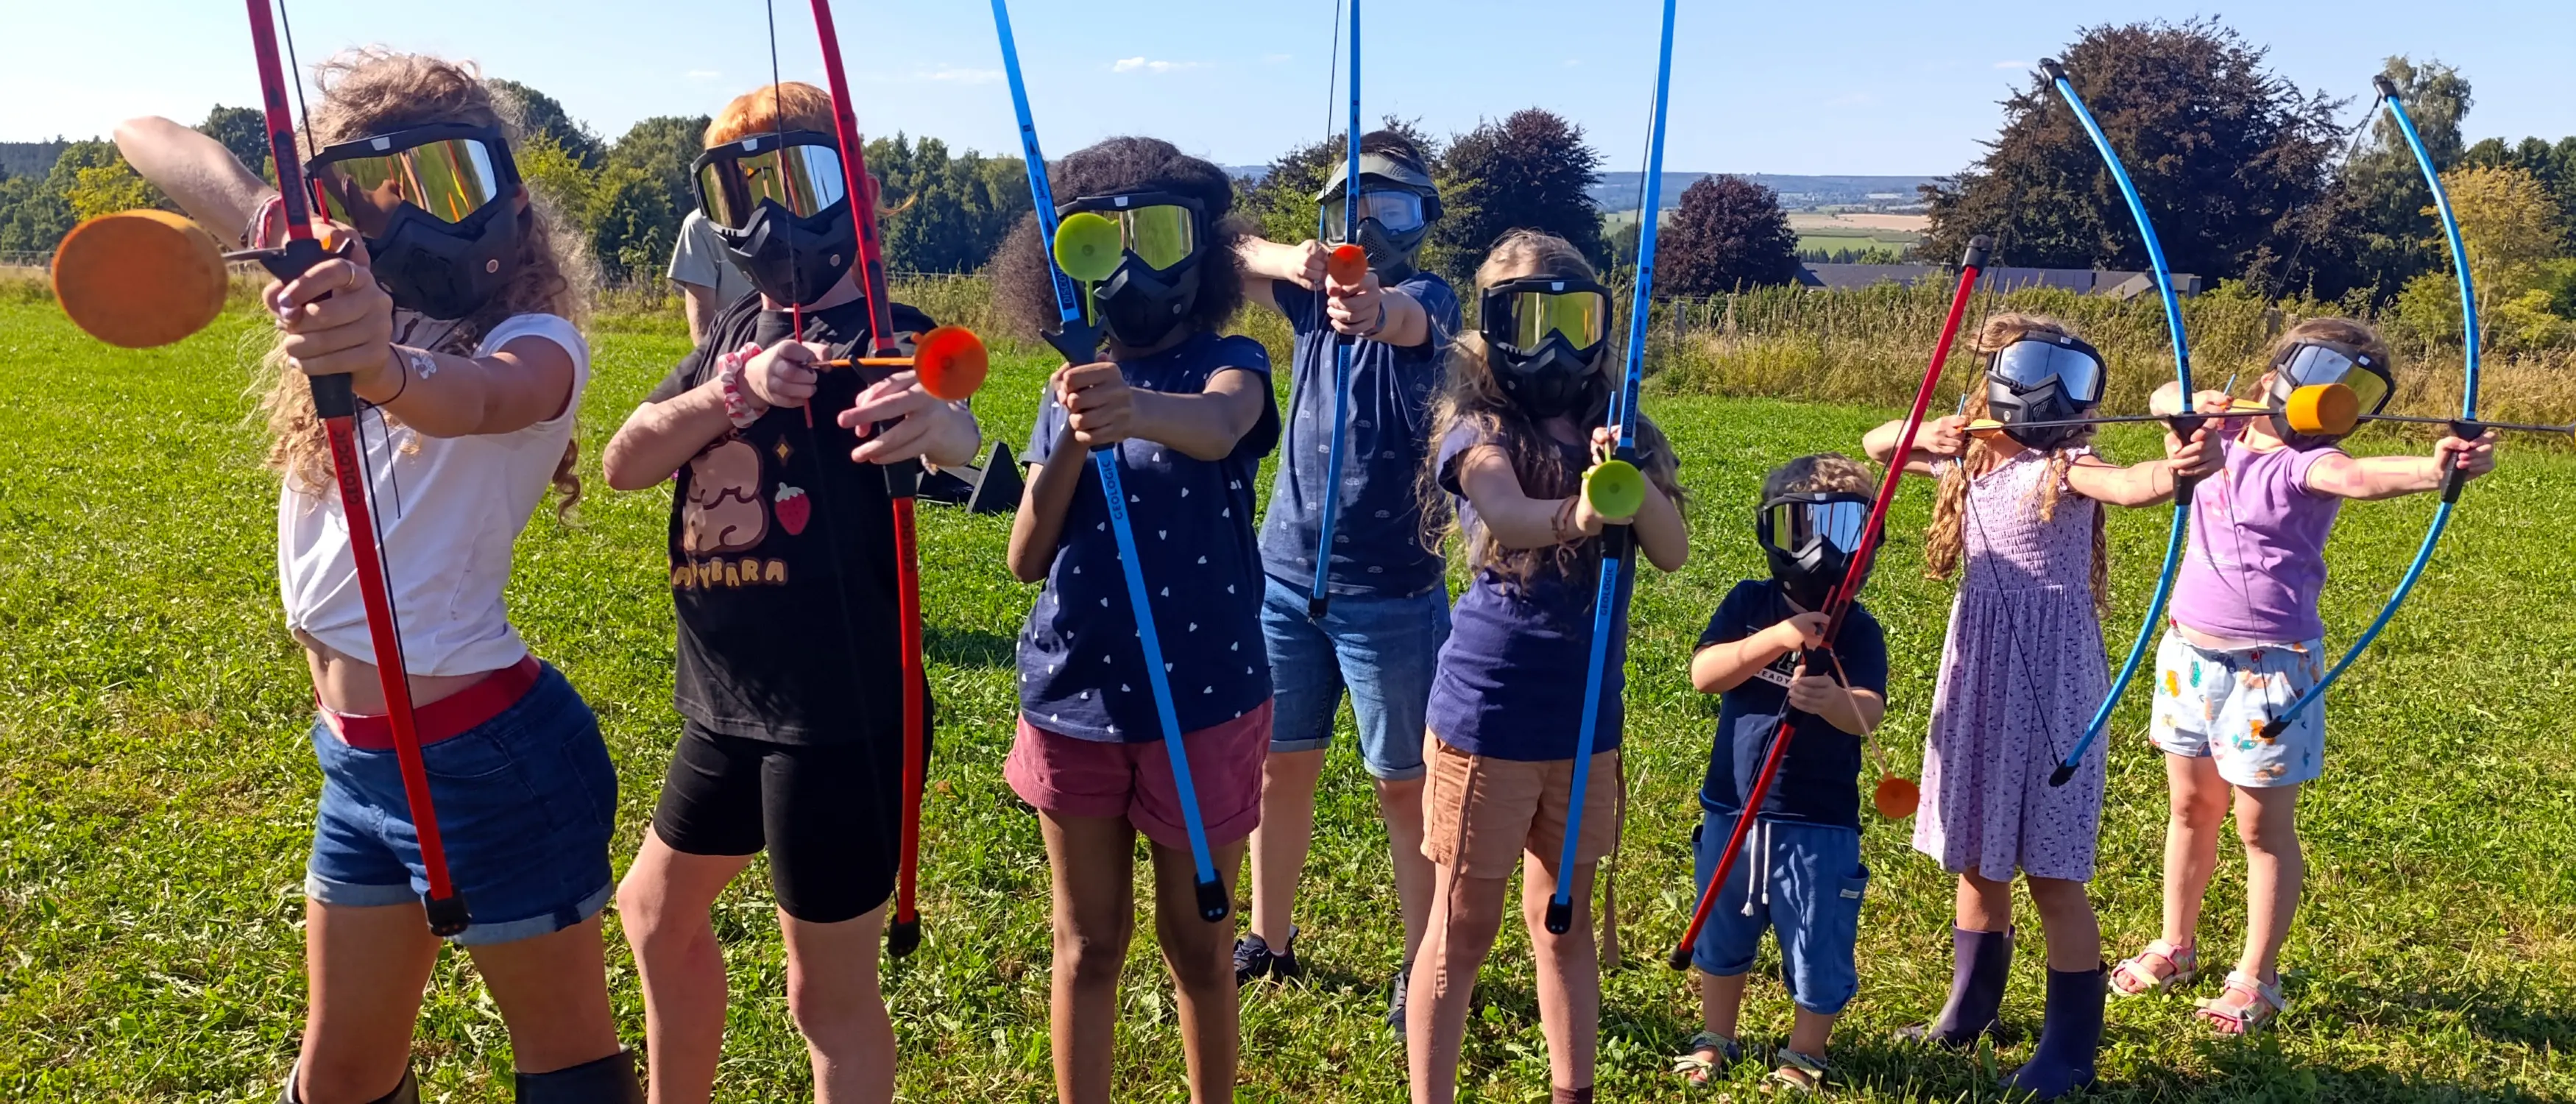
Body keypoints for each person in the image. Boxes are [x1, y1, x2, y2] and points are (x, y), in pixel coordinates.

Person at [116, 50, 640, 1103]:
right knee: (342, 1073)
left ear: (508, 194)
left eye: (445, 184)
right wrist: (283, 223)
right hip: (359, 760)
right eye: (370, 191)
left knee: (568, 1067)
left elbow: (481, 398)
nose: (410, 223)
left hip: (490, 760)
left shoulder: (537, 341)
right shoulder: (338, 283)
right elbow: (152, 136)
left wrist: (382, 367)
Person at [602, 82, 981, 1104]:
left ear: (854, 190)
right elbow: (624, 462)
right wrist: (733, 392)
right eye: (739, 188)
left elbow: (959, 443)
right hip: (723, 707)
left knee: (826, 996)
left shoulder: (893, 340)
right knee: (652, 913)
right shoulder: (729, 334)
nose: (767, 216)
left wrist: (945, 433)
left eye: (798, 178)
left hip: (841, 720)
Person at [989, 136, 1278, 1104]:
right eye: (1095, 242)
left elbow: (1219, 426)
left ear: (1202, 251)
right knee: (1087, 943)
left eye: (1157, 234)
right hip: (1074, 699)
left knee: (1197, 943)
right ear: (1061, 265)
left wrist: (1135, 408)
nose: (1131, 265)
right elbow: (1026, 554)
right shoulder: (1065, 390)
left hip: (1205, 700)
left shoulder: (1229, 363)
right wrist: (1076, 432)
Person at [1862, 313, 2216, 1100]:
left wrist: (2183, 464)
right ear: (1995, 381)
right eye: (2031, 370)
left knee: (2051, 872)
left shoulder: (2068, 466)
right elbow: (1876, 443)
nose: (2052, 393)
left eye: (2073, 380)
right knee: (1976, 853)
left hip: (2053, 692)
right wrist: (1944, 430)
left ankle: (2068, 1049)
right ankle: (1967, 1011)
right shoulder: (1968, 463)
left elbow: (2132, 488)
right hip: (1979, 678)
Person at [2104, 319, 2494, 1033]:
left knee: (2259, 828)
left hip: (2267, 672)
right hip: (2187, 657)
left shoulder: (2305, 465)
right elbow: (2163, 394)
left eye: (2357, 394)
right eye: (2325, 379)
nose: (2336, 403)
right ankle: (2175, 945)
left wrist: (2438, 466)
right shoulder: (2214, 440)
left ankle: (2256, 977)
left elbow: (2358, 475)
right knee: (2189, 810)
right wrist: (2187, 405)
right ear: (2272, 377)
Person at [1409, 230, 1689, 1104]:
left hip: (1585, 722)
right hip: (1489, 719)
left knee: (1560, 922)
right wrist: (1582, 510)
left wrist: (1630, 480)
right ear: (1490, 331)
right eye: (1529, 319)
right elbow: (1506, 513)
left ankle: (1573, 1093)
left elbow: (1672, 550)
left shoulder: (1624, 429)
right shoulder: (1477, 428)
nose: (1556, 342)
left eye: (1574, 317)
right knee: (1463, 924)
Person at [1230, 131, 1460, 1027]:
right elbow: (1225, 254)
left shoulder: (1427, 297)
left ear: (1419, 222)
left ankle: (1420, 958)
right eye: (1348, 210)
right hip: (1283, 577)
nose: (1367, 226)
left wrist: (1371, 306)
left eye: (1390, 209)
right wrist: (1296, 260)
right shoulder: (1303, 300)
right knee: (1277, 770)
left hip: (1391, 592)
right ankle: (1268, 936)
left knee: (1403, 784)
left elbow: (1404, 316)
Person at [1674, 454, 1889, 1093]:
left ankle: (1805, 1052)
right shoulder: (1748, 604)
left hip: (1817, 821)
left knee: (1818, 940)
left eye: (1842, 531)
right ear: (1774, 533)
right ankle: (1717, 1034)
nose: (1819, 549)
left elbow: (1870, 712)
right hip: (1732, 809)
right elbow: (1706, 673)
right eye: (1801, 530)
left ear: (1866, 541)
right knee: (1721, 930)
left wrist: (1835, 704)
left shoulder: (1860, 628)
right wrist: (1779, 637)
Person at [668, 208, 755, 344]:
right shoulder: (700, 225)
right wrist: (712, 362)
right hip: (735, 354)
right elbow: (702, 324)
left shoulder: (794, 215)